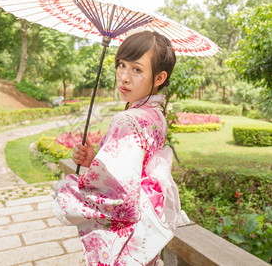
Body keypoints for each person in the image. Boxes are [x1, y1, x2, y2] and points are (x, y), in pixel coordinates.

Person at [53, 31, 190, 266]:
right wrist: (95, 161)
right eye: (121, 65)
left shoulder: (127, 121)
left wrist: (70, 191)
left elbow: (120, 198)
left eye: (137, 69)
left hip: (125, 239)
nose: (124, 77)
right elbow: (134, 169)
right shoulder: (156, 115)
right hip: (143, 234)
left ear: (159, 77)